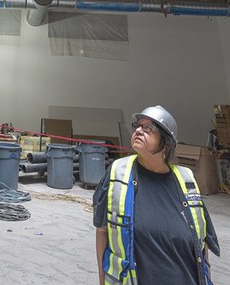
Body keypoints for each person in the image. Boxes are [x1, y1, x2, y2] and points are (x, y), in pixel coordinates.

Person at [93, 105, 220, 284]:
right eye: (137, 125)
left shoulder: (186, 180)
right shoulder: (118, 173)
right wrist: (101, 280)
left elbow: (201, 240)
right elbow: (102, 231)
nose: (138, 130)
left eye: (148, 128)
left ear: (166, 143)